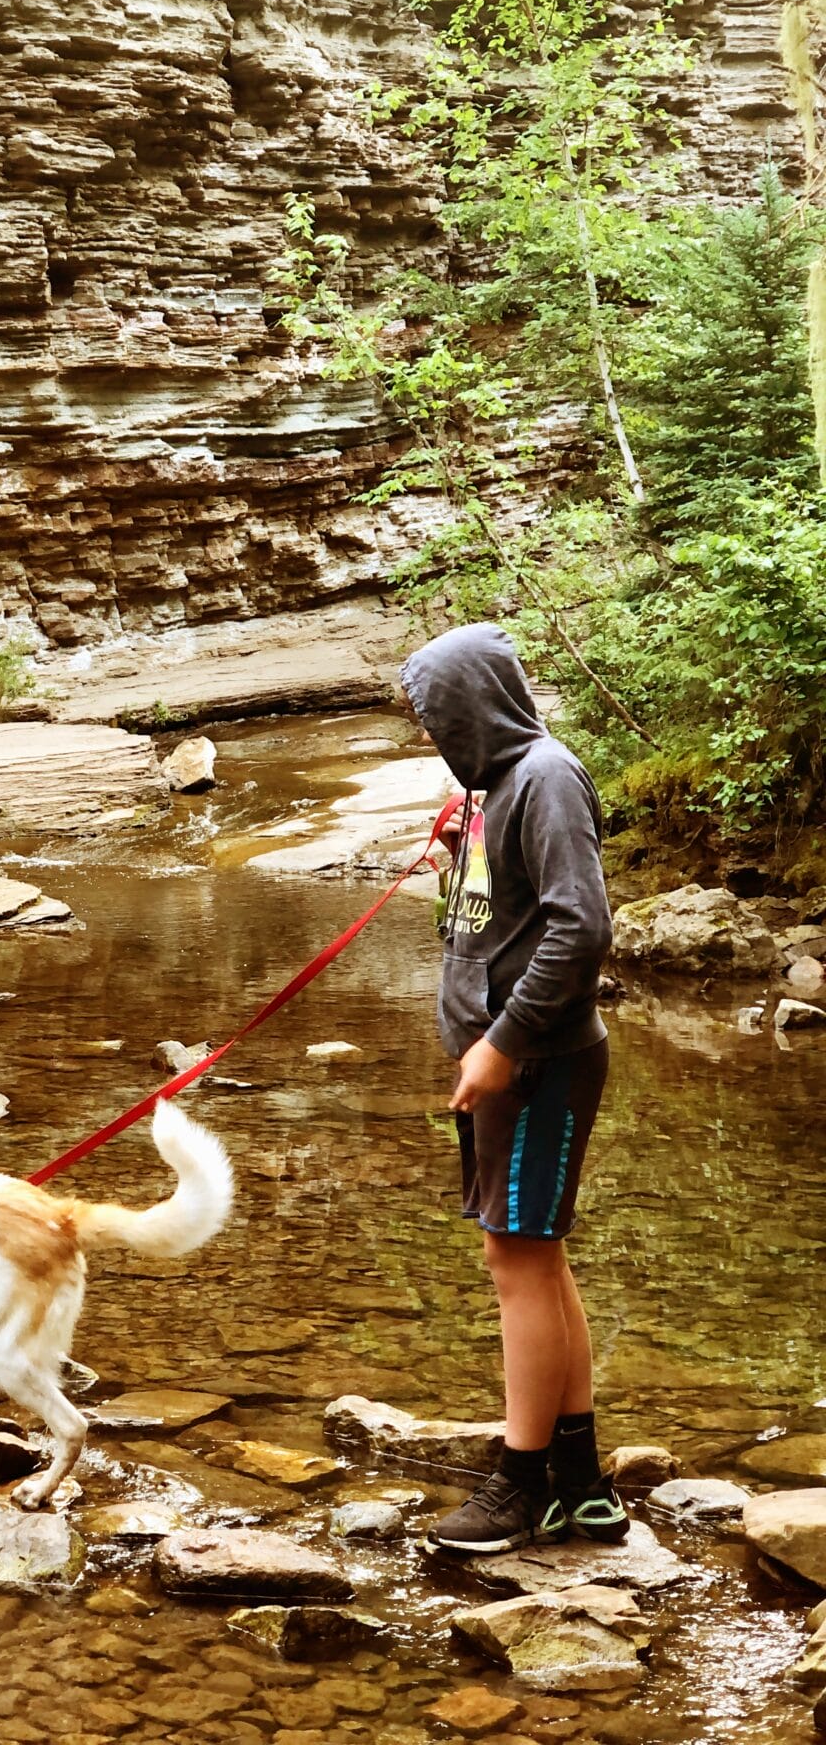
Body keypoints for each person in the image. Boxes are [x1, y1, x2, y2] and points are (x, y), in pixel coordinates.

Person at [399, 621, 627, 1554]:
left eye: (431, 713)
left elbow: (583, 928)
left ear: (472, 705)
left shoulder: (545, 778)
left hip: (536, 1064)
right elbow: (512, 915)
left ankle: (519, 1481)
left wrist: (502, 1041)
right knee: (536, 1259)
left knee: (518, 1266)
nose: (426, 733)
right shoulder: (496, 790)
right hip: (508, 1064)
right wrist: (463, 850)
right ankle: (581, 1481)